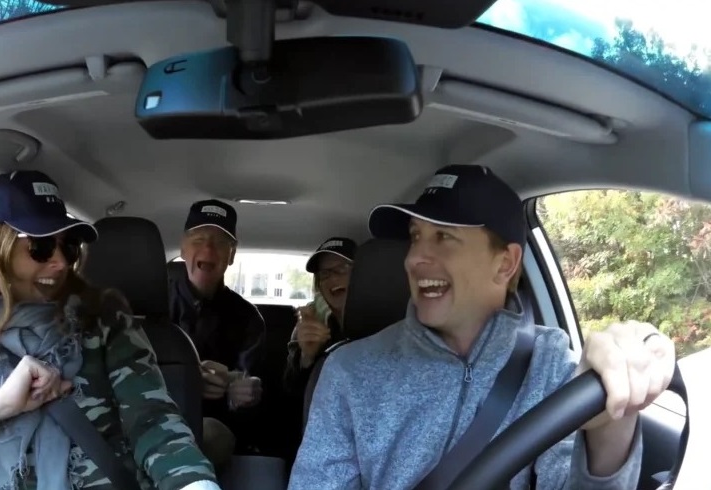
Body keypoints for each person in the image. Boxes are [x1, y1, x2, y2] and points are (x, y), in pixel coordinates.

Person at [288, 164, 677, 489]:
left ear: (505, 264)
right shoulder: (349, 372)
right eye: (415, 237)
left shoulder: (552, 366)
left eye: (443, 237)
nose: (415, 258)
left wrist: (613, 419)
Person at [0, 170, 220, 490]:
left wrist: (195, 485)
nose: (62, 261)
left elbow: (152, 420)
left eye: (68, 245)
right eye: (40, 246)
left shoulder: (104, 320)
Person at [169, 199, 266, 470]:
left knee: (211, 434)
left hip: (210, 427)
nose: (208, 248)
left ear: (232, 255)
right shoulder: (149, 301)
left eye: (221, 242)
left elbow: (250, 394)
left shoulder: (248, 319)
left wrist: (240, 392)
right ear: (182, 248)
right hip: (149, 413)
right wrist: (185, 381)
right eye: (199, 238)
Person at [282, 237, 356, 396]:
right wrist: (307, 358)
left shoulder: (384, 327)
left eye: (343, 268)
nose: (333, 278)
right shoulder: (311, 325)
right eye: (325, 273)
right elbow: (290, 404)